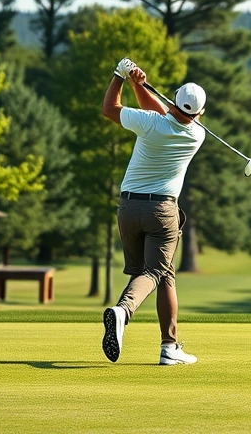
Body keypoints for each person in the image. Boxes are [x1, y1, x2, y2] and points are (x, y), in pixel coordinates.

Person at [100, 57, 206, 365]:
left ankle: (169, 348)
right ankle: (123, 311)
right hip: (161, 212)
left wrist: (120, 77)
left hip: (128, 208)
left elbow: (110, 109)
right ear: (198, 113)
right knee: (154, 271)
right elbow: (168, 115)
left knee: (160, 273)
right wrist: (138, 84)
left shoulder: (150, 123)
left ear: (173, 101)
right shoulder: (197, 134)